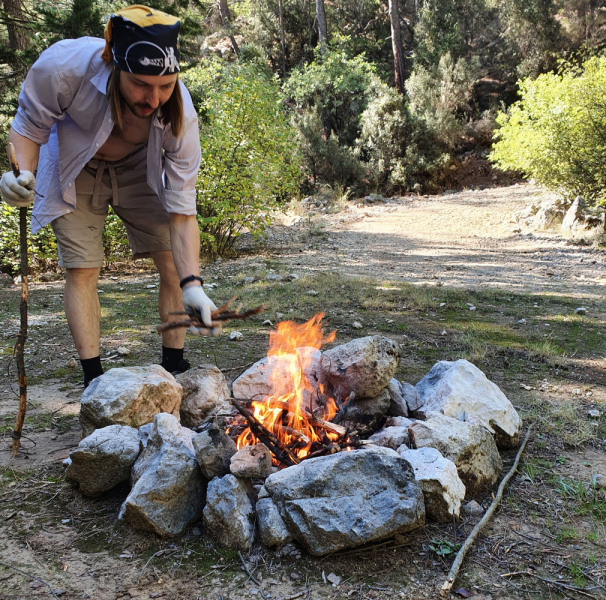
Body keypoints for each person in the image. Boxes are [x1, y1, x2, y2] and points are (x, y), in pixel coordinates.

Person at [0, 5, 219, 387]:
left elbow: (182, 212)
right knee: (82, 267)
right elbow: (29, 129)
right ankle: (94, 379)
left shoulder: (179, 113)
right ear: (113, 63)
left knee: (171, 259)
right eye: (140, 84)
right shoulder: (62, 68)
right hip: (74, 162)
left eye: (165, 85)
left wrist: (193, 286)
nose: (154, 99)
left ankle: (174, 366)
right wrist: (21, 175)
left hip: (139, 164)